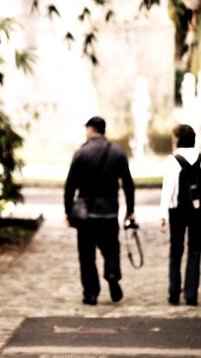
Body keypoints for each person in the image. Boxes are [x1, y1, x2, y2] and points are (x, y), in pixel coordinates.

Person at [64, 116, 136, 305]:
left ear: (90, 129)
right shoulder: (117, 152)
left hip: (86, 214)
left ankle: (91, 293)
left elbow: (70, 185)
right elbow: (128, 183)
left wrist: (67, 210)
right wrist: (130, 209)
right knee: (111, 247)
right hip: (109, 212)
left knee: (86, 254)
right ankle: (112, 274)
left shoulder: (81, 153)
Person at [159, 124, 201, 306]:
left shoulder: (173, 160)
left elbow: (167, 190)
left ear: (177, 139)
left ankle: (174, 293)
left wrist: (162, 215)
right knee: (195, 250)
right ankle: (191, 295)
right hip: (199, 212)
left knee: (176, 250)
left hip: (177, 211)